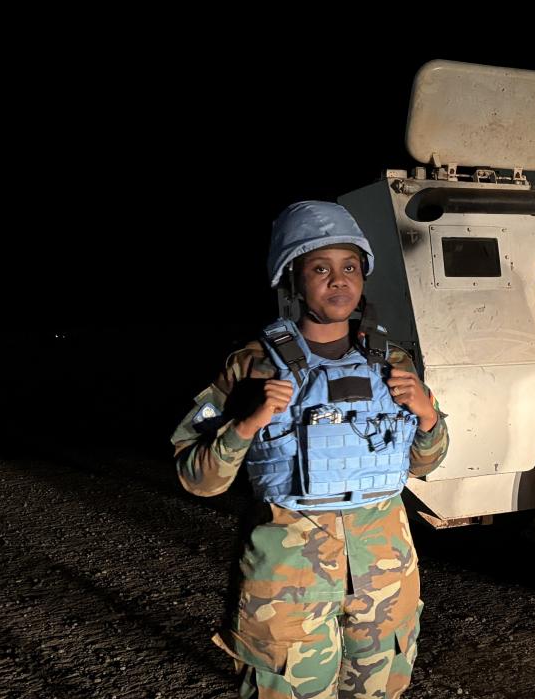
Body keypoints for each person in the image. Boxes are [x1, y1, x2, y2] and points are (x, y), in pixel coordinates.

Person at [172, 200, 449, 698]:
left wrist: (428, 415)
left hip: (384, 575)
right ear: (294, 281)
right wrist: (247, 421)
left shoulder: (394, 360)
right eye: (320, 268)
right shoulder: (250, 367)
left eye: (349, 268)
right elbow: (198, 477)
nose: (338, 281)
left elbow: (425, 460)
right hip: (288, 586)